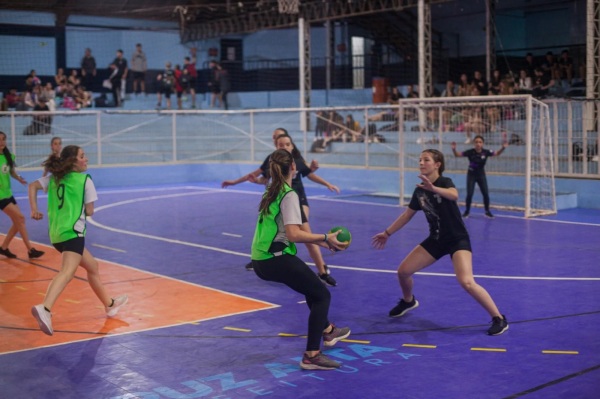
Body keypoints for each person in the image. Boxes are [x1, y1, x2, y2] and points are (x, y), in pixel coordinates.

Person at [371, 148, 508, 336]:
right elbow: (407, 215)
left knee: (466, 282)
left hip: (457, 239)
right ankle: (408, 300)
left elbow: (454, 195)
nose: (421, 163)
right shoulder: (419, 191)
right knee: (403, 271)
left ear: (437, 165)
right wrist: (387, 233)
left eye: (426, 160)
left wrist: (433, 188)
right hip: (436, 240)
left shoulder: (444, 182)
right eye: (420, 159)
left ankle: (499, 318)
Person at [251, 148, 351, 370]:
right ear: (293, 167)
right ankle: (311, 355)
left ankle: (328, 331)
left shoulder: (271, 190)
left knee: (311, 290)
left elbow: (287, 233)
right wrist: (325, 236)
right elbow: (294, 234)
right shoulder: (289, 194)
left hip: (261, 259)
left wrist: (322, 241)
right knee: (322, 295)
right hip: (274, 258)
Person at [28, 145, 128, 335]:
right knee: (67, 272)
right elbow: (89, 211)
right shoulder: (84, 180)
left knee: (92, 267)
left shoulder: (55, 178)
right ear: (74, 161)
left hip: (56, 235)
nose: (86, 159)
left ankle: (109, 304)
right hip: (73, 232)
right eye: (83, 156)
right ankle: (45, 308)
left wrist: (34, 209)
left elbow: (32, 186)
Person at [221, 128, 339, 287]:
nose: (284, 146)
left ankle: (323, 271)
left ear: (292, 146)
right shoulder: (273, 161)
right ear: (276, 146)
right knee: (275, 230)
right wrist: (236, 182)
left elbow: (309, 174)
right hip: (279, 201)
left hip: (297, 201)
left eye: (287, 144)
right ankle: (265, 258)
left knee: (303, 234)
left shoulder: (296, 160)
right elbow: (260, 177)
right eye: (280, 144)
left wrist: (326, 183)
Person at [0, 131, 45, 259]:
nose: (2, 142)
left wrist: (19, 178)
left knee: (18, 221)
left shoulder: (9, 156)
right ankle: (30, 250)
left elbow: (11, 172)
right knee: (20, 218)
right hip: (0, 196)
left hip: (8, 193)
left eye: (3, 139)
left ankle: (3, 247)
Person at [451, 135, 508, 218]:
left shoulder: (486, 152)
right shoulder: (470, 152)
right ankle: (467, 211)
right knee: (469, 194)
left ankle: (487, 211)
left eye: (480, 142)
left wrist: (503, 148)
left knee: (485, 194)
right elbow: (457, 155)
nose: (478, 144)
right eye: (476, 142)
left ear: (483, 144)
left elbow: (497, 153)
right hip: (471, 175)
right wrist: (453, 149)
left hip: (481, 175)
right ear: (474, 143)